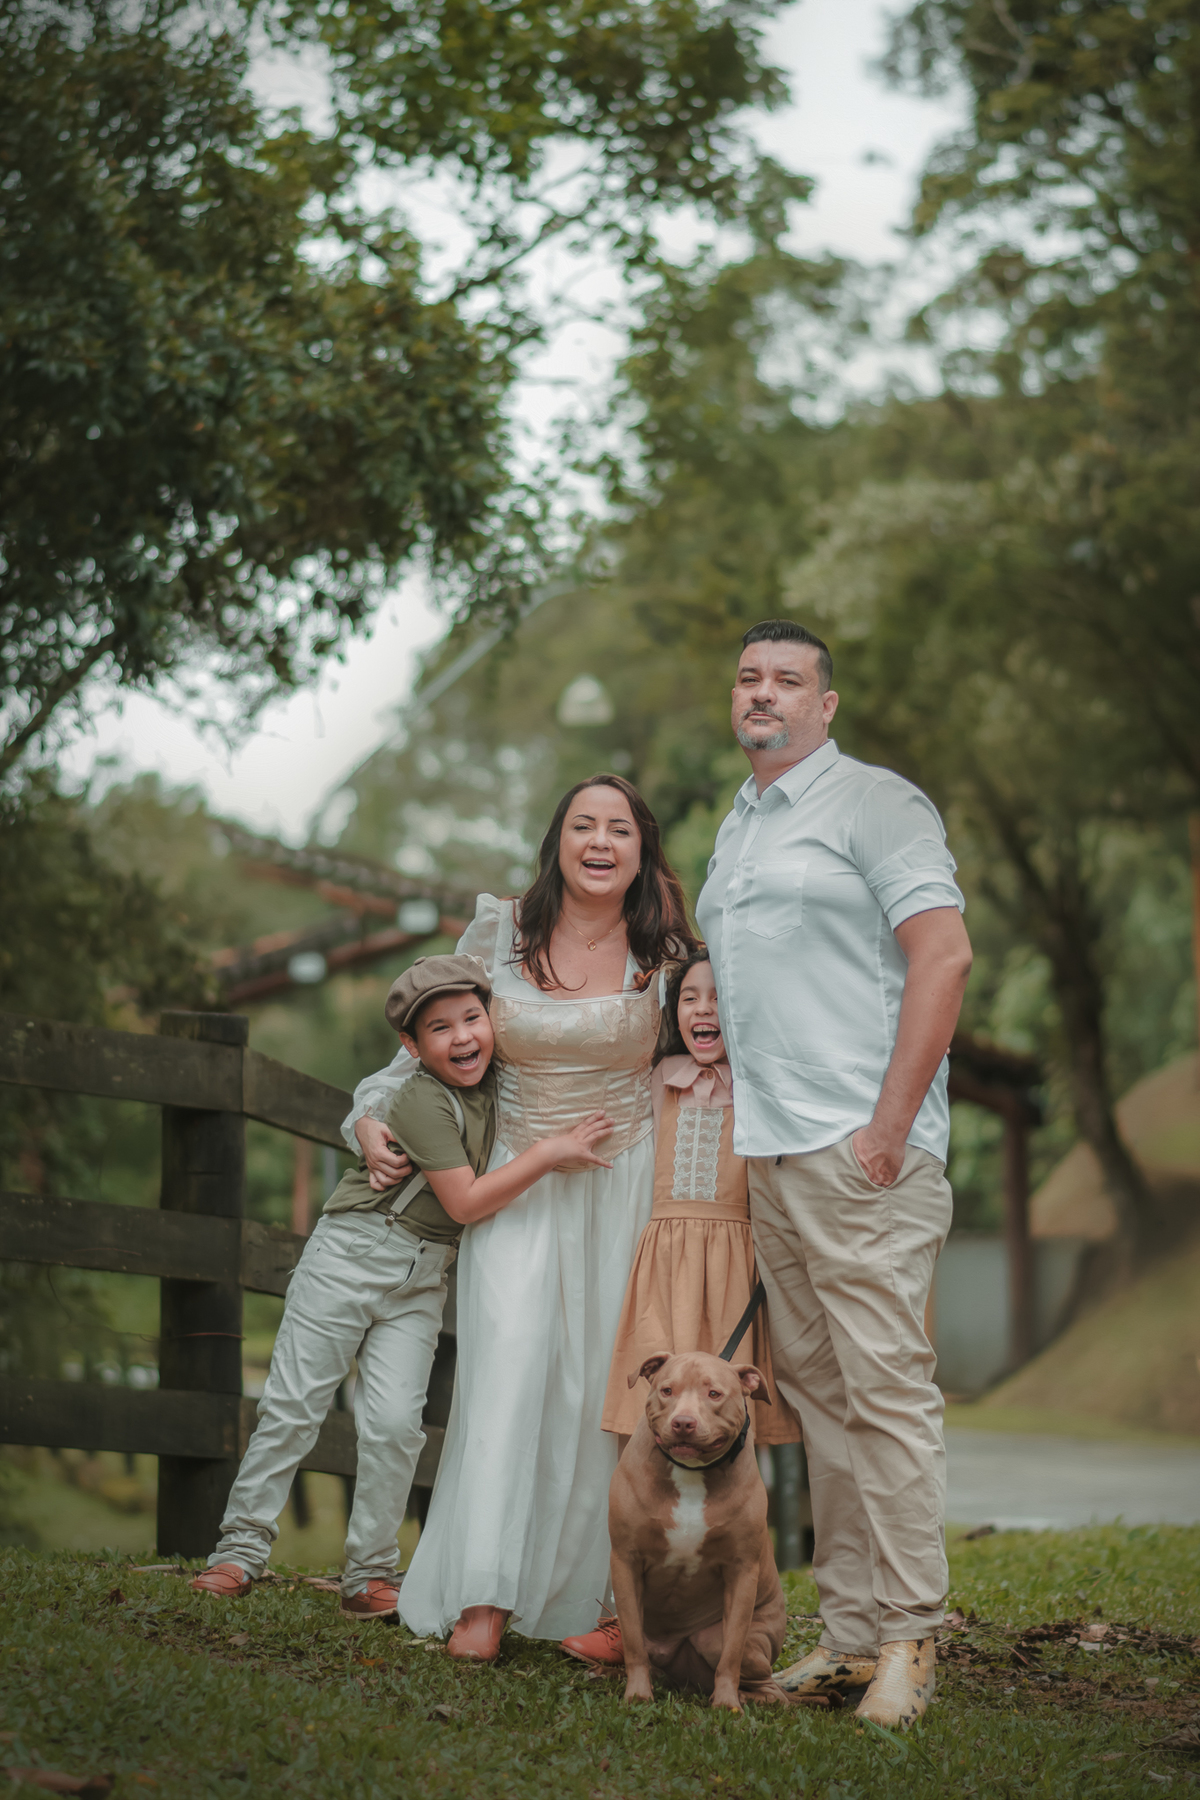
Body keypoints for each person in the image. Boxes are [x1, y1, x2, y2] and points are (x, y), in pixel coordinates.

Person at [344, 774, 696, 1662]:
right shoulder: (501, 931)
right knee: (504, 1372)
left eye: (620, 828)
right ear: (558, 841)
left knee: (593, 1391)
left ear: (643, 848)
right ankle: (483, 1597)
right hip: (517, 1180)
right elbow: (420, 1047)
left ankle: (588, 1597)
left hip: (624, 1184)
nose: (601, 840)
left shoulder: (670, 951)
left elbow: (712, 1055)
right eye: (584, 824)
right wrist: (367, 1116)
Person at [695, 619, 973, 1730]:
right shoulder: (741, 822)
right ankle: (853, 1638)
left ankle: (912, 1637)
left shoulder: (876, 803)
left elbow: (942, 954)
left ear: (827, 703)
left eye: (789, 680)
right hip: (772, 1152)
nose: (765, 694)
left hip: (862, 1152)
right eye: (750, 678)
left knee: (888, 1393)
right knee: (824, 1403)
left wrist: (889, 1125)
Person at [190, 953, 612, 1614]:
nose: (463, 1037)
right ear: (411, 1047)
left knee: (393, 1425)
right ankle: (239, 1552)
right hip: (354, 1252)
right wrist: (549, 1154)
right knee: (295, 1405)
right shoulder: (418, 1096)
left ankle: (369, 1574)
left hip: (424, 1275)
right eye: (439, 1029)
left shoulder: (500, 1081)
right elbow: (468, 1202)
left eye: (473, 1018)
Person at [575, 951, 802, 1669]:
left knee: (724, 1414)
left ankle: (735, 1607)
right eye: (691, 999)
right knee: (648, 1410)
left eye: (720, 999)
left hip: (736, 1262)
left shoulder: (764, 1089)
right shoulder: (654, 1084)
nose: (704, 1011)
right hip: (663, 1261)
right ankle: (628, 1618)